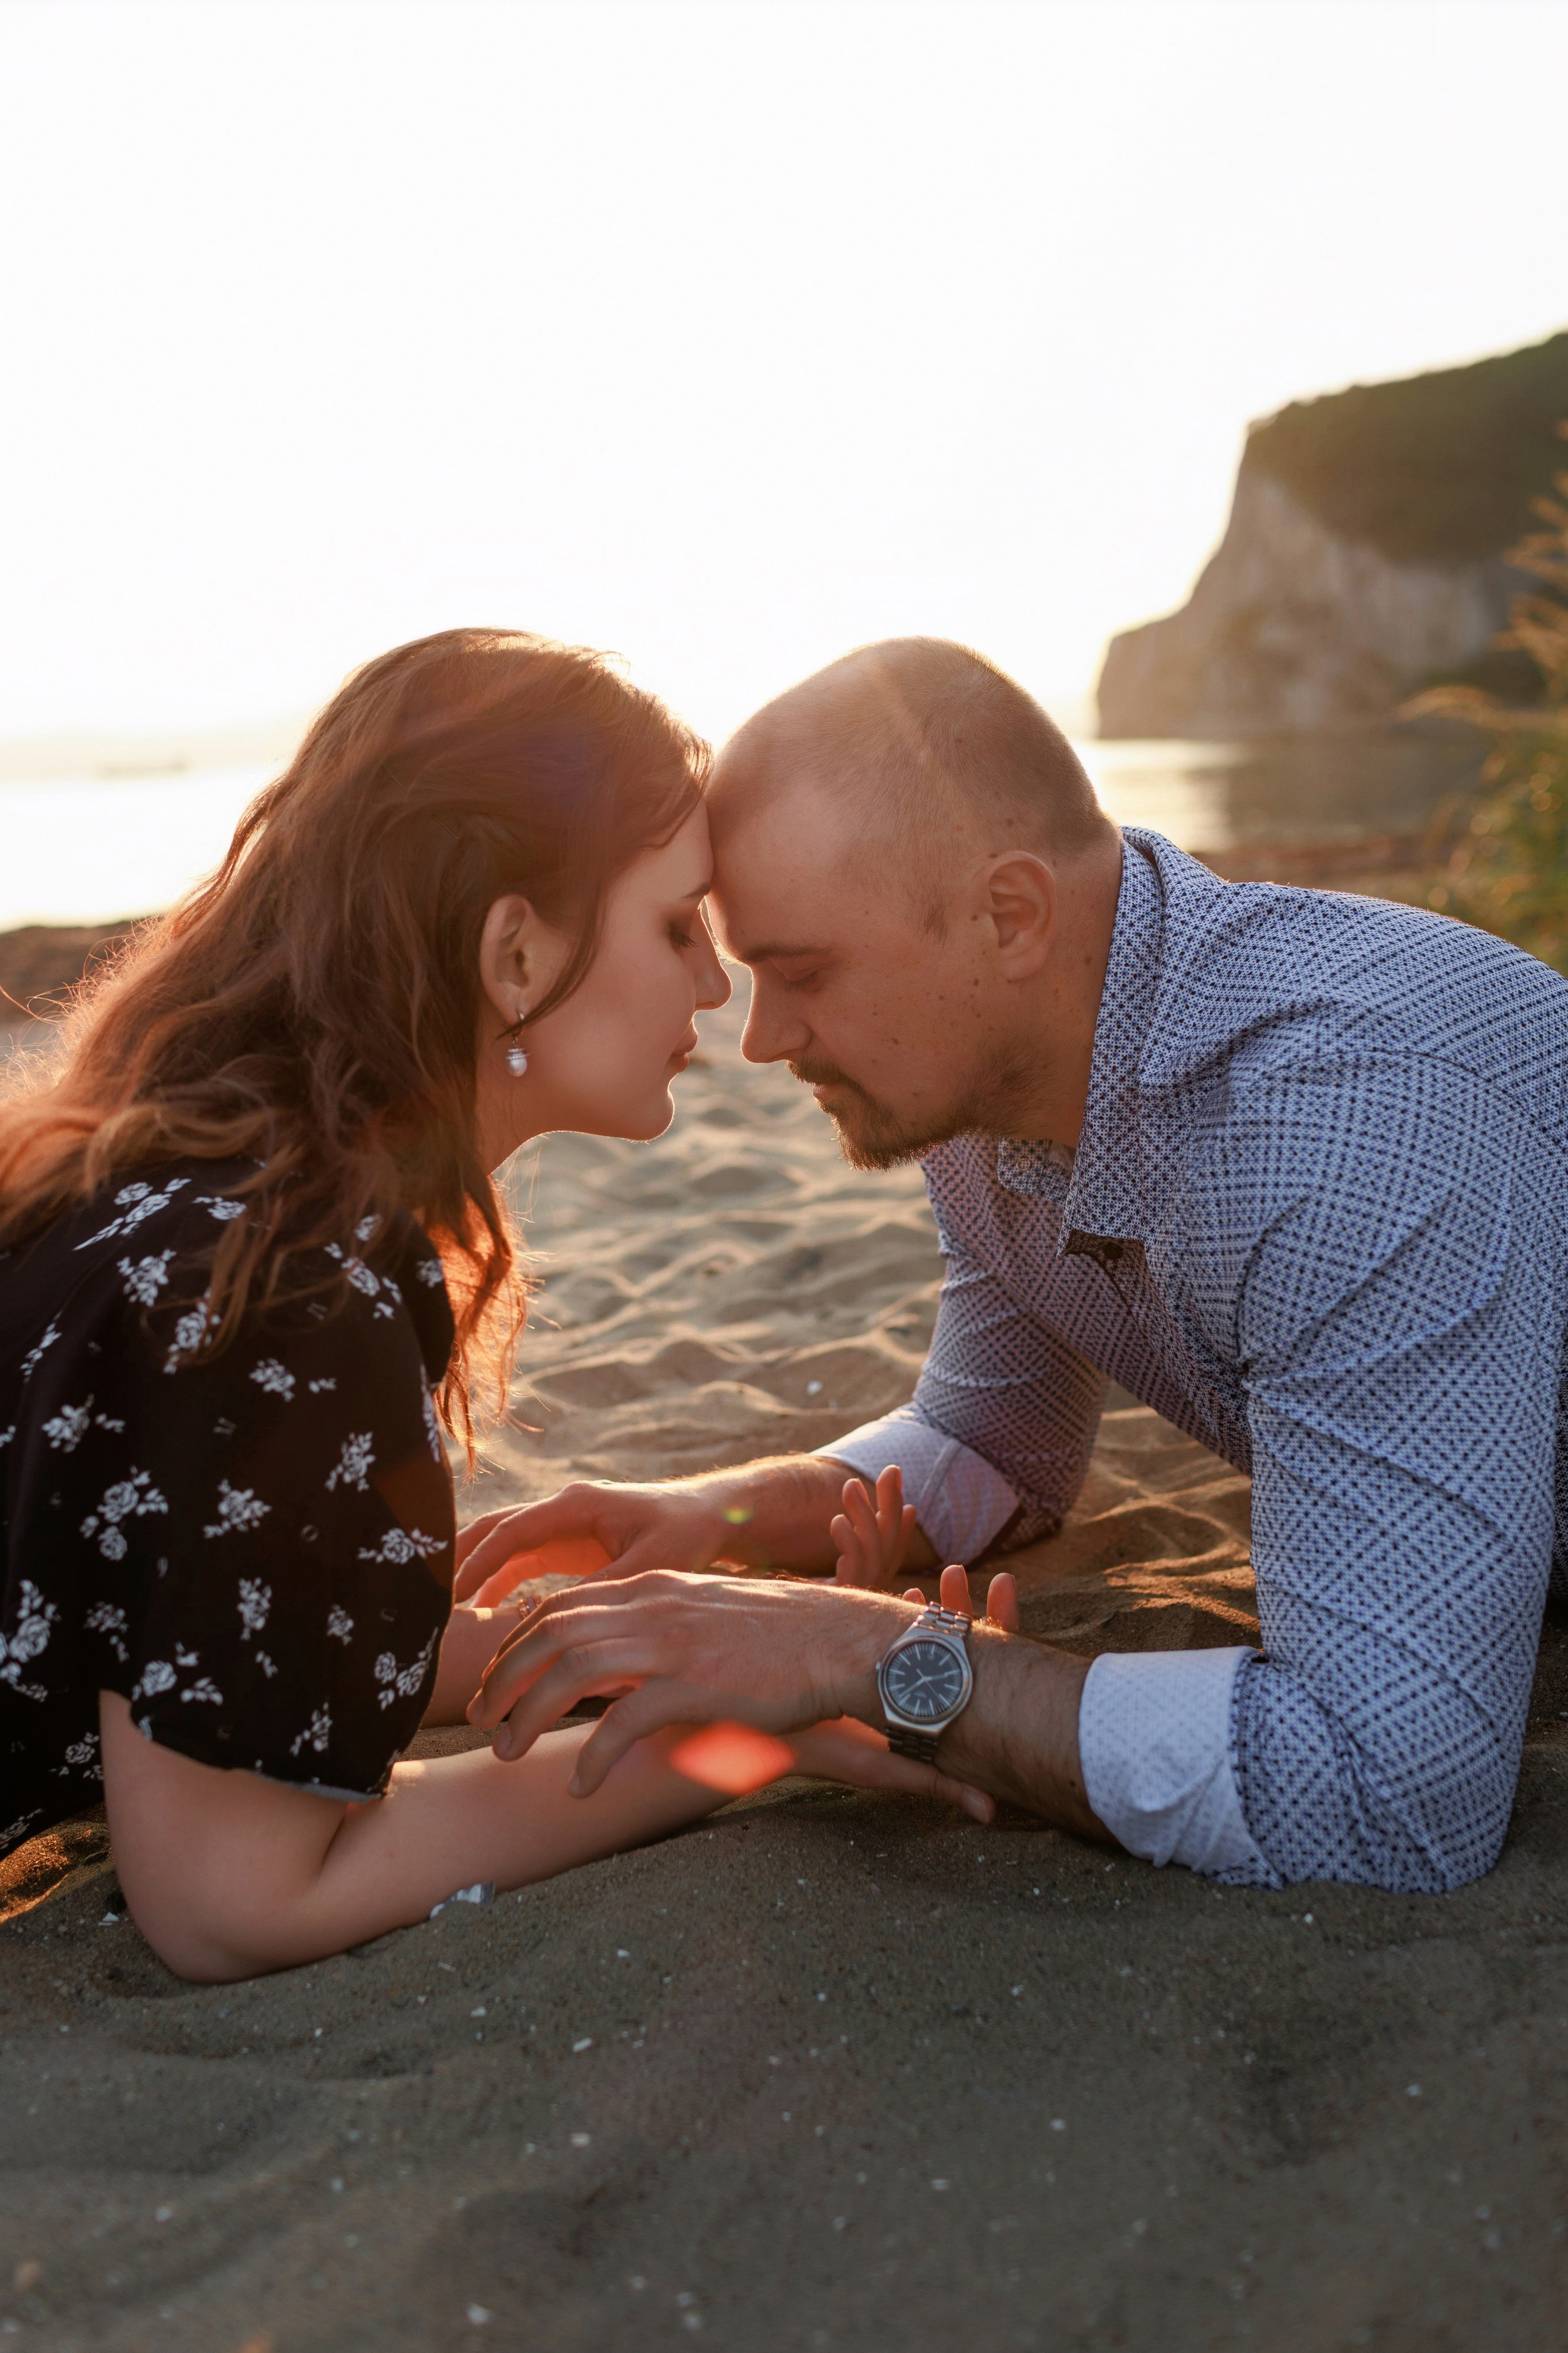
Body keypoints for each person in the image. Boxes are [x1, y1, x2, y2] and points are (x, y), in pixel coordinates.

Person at [462, 635, 1568, 1896]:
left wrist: (864, 1652)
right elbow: (996, 1449)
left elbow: (1388, 1804)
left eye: (802, 971)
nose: (760, 1039)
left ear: (1009, 916)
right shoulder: (990, 1095)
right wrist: (711, 1517)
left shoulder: (1335, 1136)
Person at [0, 629, 985, 1984]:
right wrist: (745, 1736)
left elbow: (247, 1643)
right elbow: (235, 1899)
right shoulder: (286, 1286)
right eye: (672, 924)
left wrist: (691, 1634)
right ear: (514, 955)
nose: (715, 985)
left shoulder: (210, 1192)